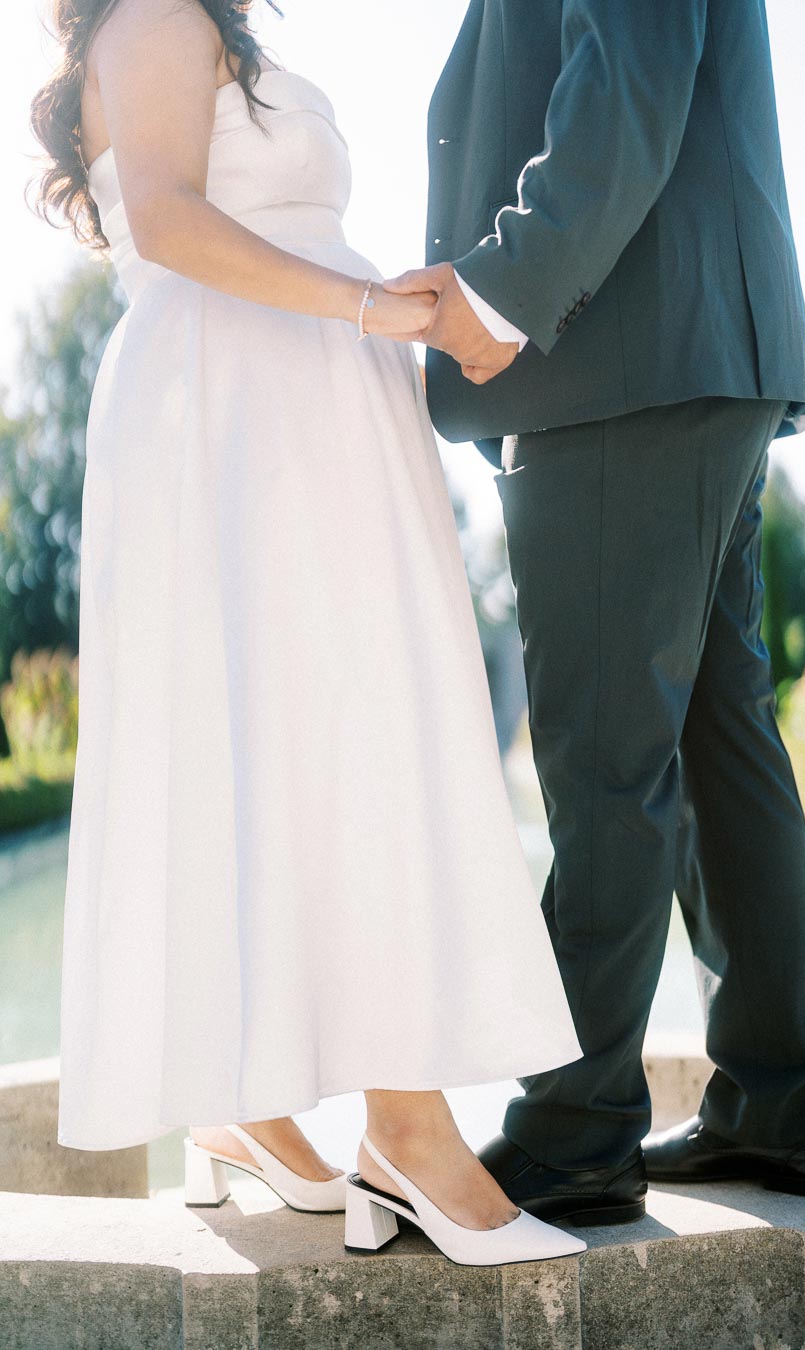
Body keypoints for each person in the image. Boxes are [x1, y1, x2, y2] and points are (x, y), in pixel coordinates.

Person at [31, 0, 589, 1267]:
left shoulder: (212, 29)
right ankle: (404, 1124)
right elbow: (168, 221)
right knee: (330, 733)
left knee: (324, 733)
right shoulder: (157, 14)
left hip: (300, 403)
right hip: (236, 402)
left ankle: (249, 1111)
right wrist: (357, 304)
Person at [386, 0, 805, 1221]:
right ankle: (780, 1099)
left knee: (605, 758)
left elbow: (630, 78)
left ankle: (578, 1127)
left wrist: (499, 294)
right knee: (714, 740)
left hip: (624, 358)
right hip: (694, 351)